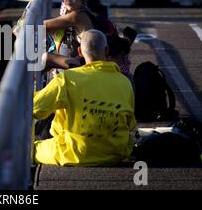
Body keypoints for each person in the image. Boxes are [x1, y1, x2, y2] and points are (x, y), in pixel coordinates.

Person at [33, 29, 136, 166]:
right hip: (115, 153)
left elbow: (35, 108)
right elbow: (130, 124)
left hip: (74, 152)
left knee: (30, 149)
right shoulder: (125, 82)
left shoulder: (68, 79)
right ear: (106, 51)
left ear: (80, 52)